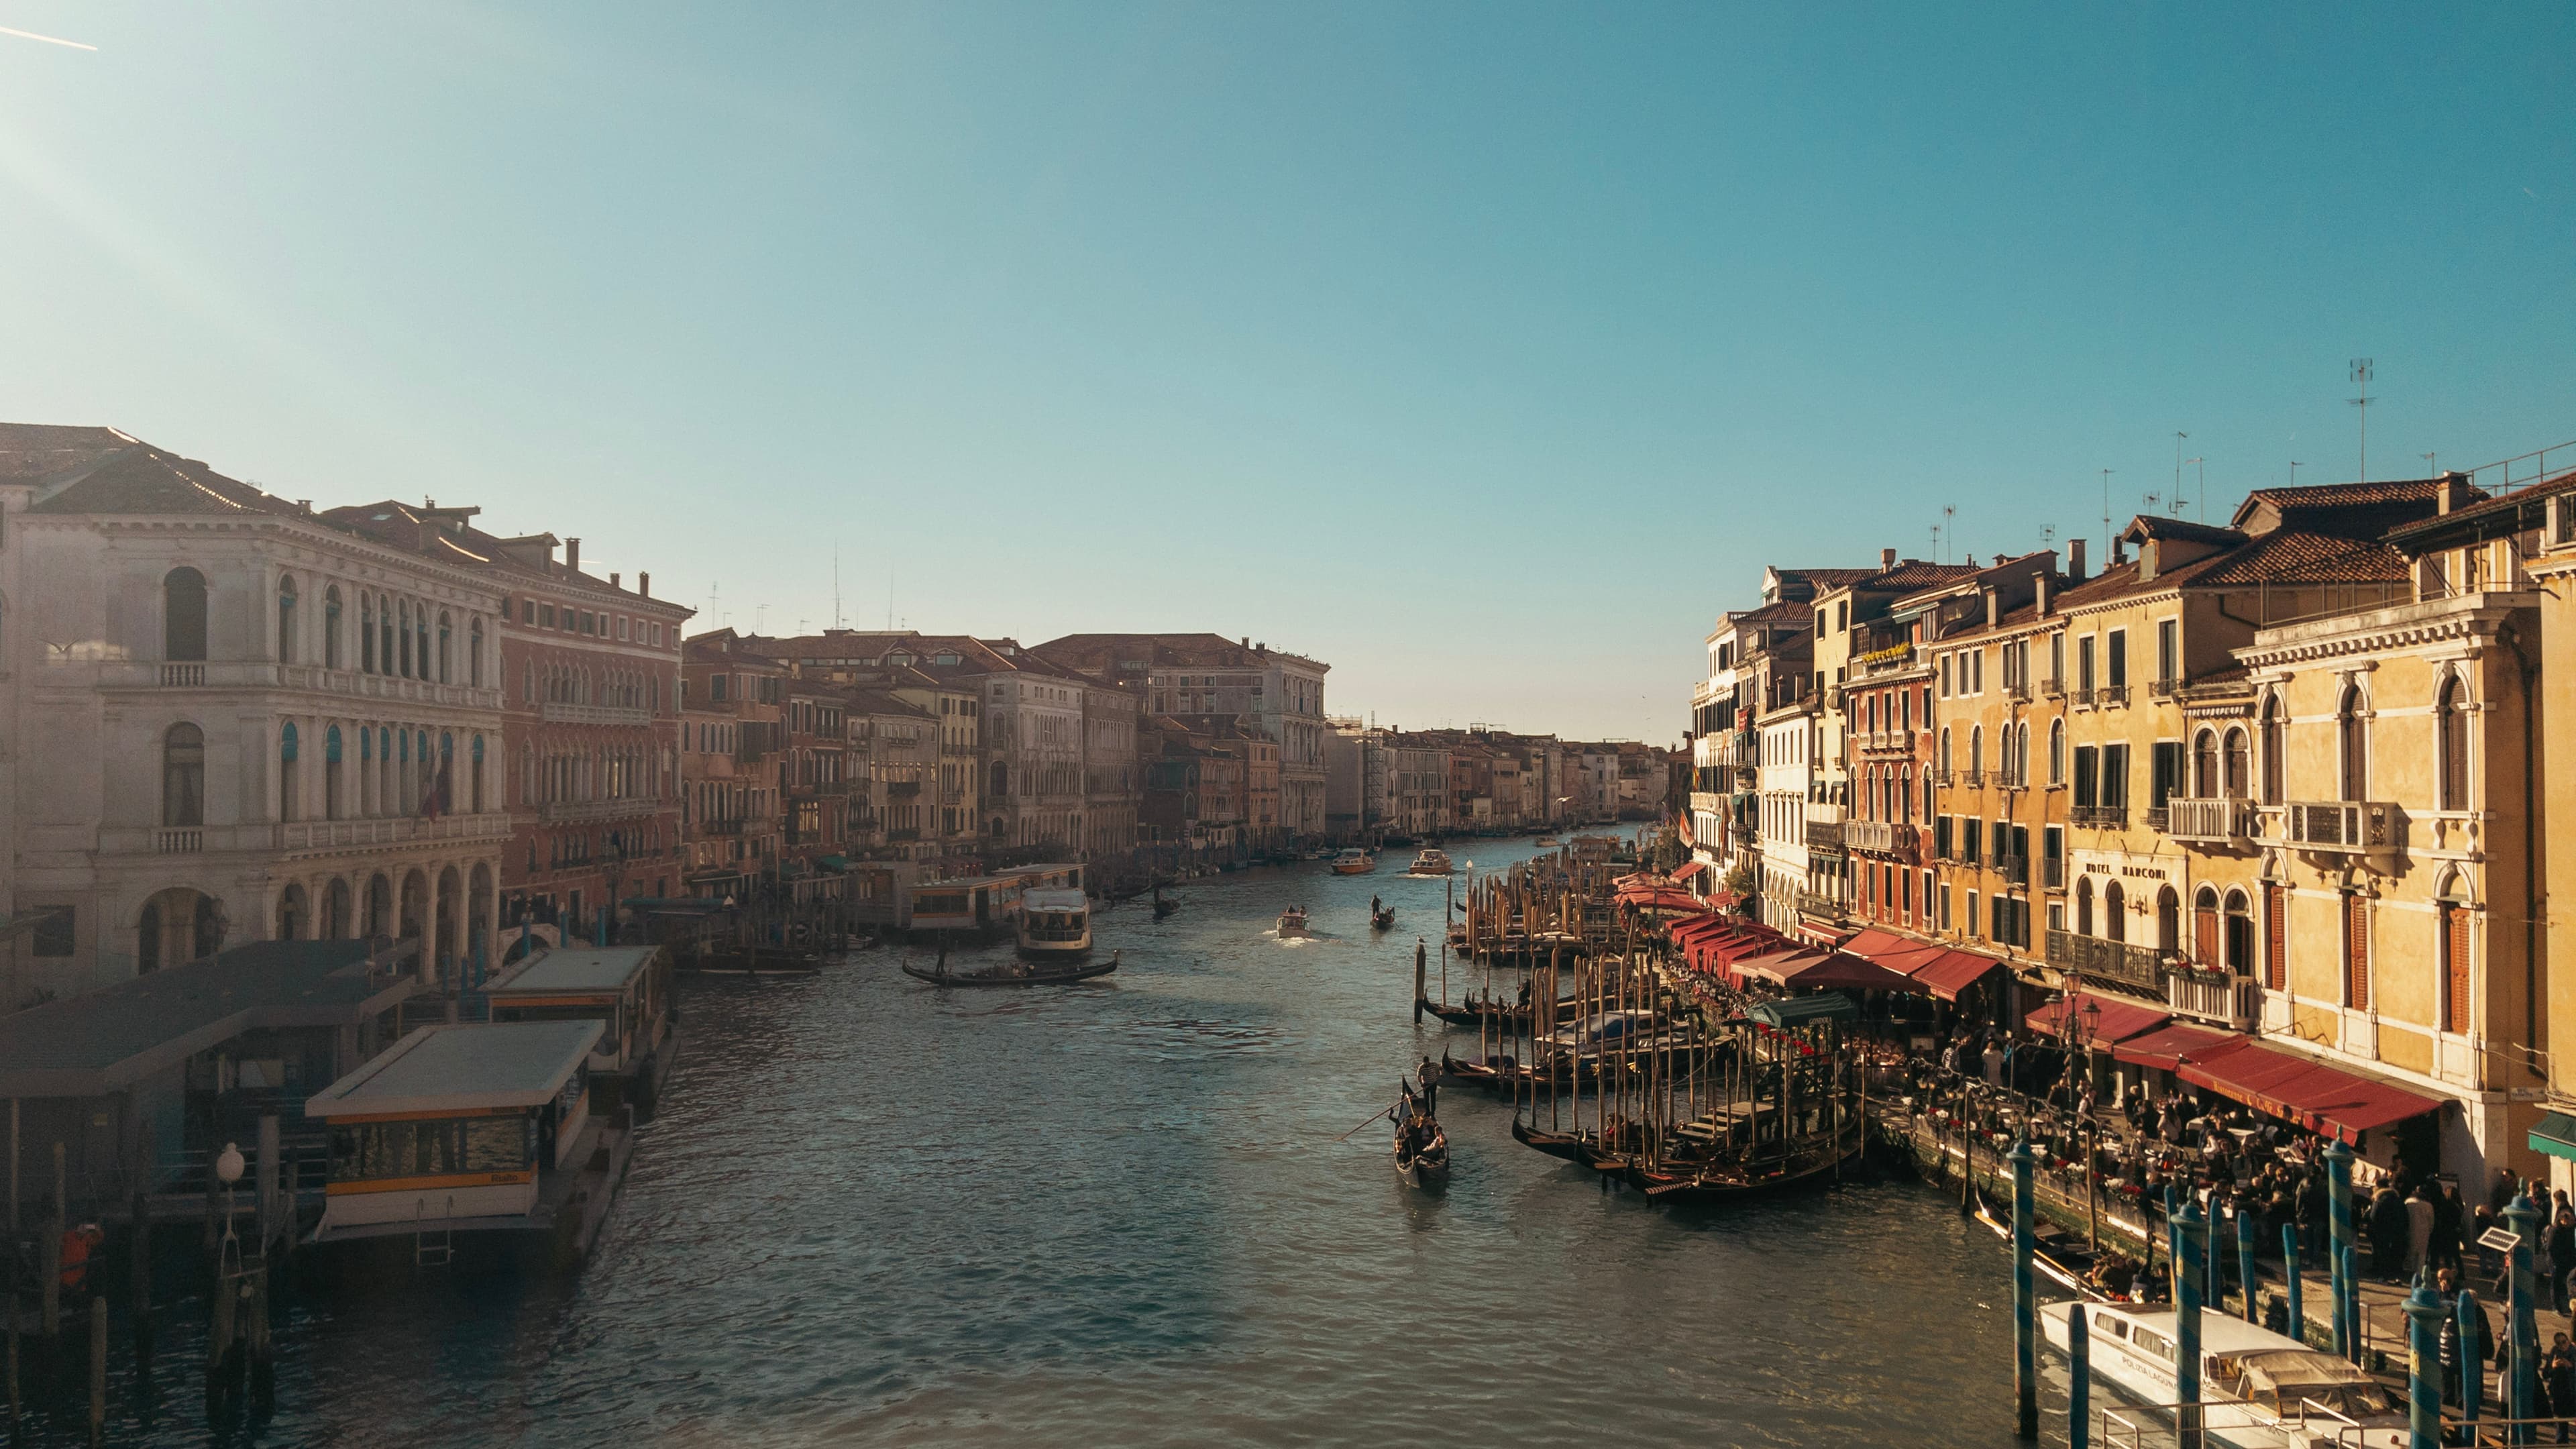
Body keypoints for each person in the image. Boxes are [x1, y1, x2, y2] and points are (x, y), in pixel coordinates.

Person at [2440, 1265, 2496, 1413]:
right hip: (2462, 1350)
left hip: (2453, 1350)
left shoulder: (2455, 1309)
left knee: (2454, 1379)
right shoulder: (2477, 1312)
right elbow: (2485, 1331)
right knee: (2466, 1378)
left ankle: (2453, 1400)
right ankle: (2466, 1400)